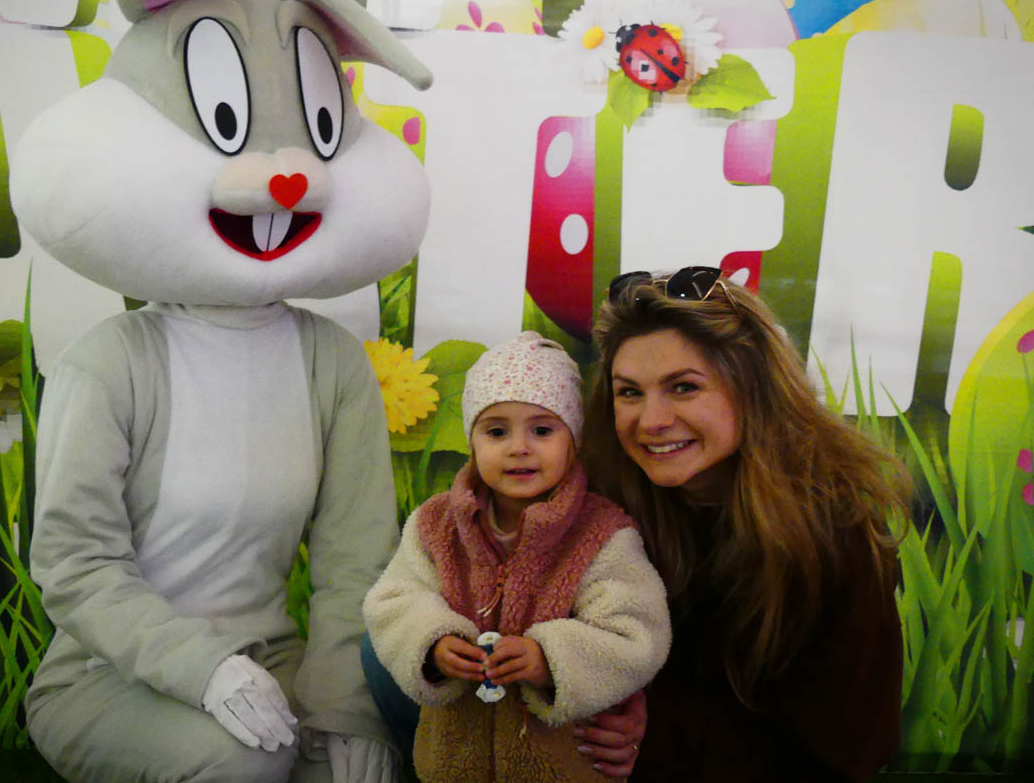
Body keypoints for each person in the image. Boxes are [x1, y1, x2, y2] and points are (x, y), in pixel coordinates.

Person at [581, 266, 912, 781]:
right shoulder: (606, 503)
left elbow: (853, 747)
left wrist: (654, 733)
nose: (651, 421)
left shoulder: (834, 531)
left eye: (684, 387)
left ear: (754, 389)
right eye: (630, 392)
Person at [363, 332, 671, 782]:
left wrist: (550, 659)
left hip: (562, 766)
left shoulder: (601, 532)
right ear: (472, 441)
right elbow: (395, 599)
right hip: (453, 762)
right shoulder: (436, 523)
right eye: (496, 431)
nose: (518, 447)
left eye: (542, 430)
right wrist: (432, 642)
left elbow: (636, 632)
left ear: (574, 439)